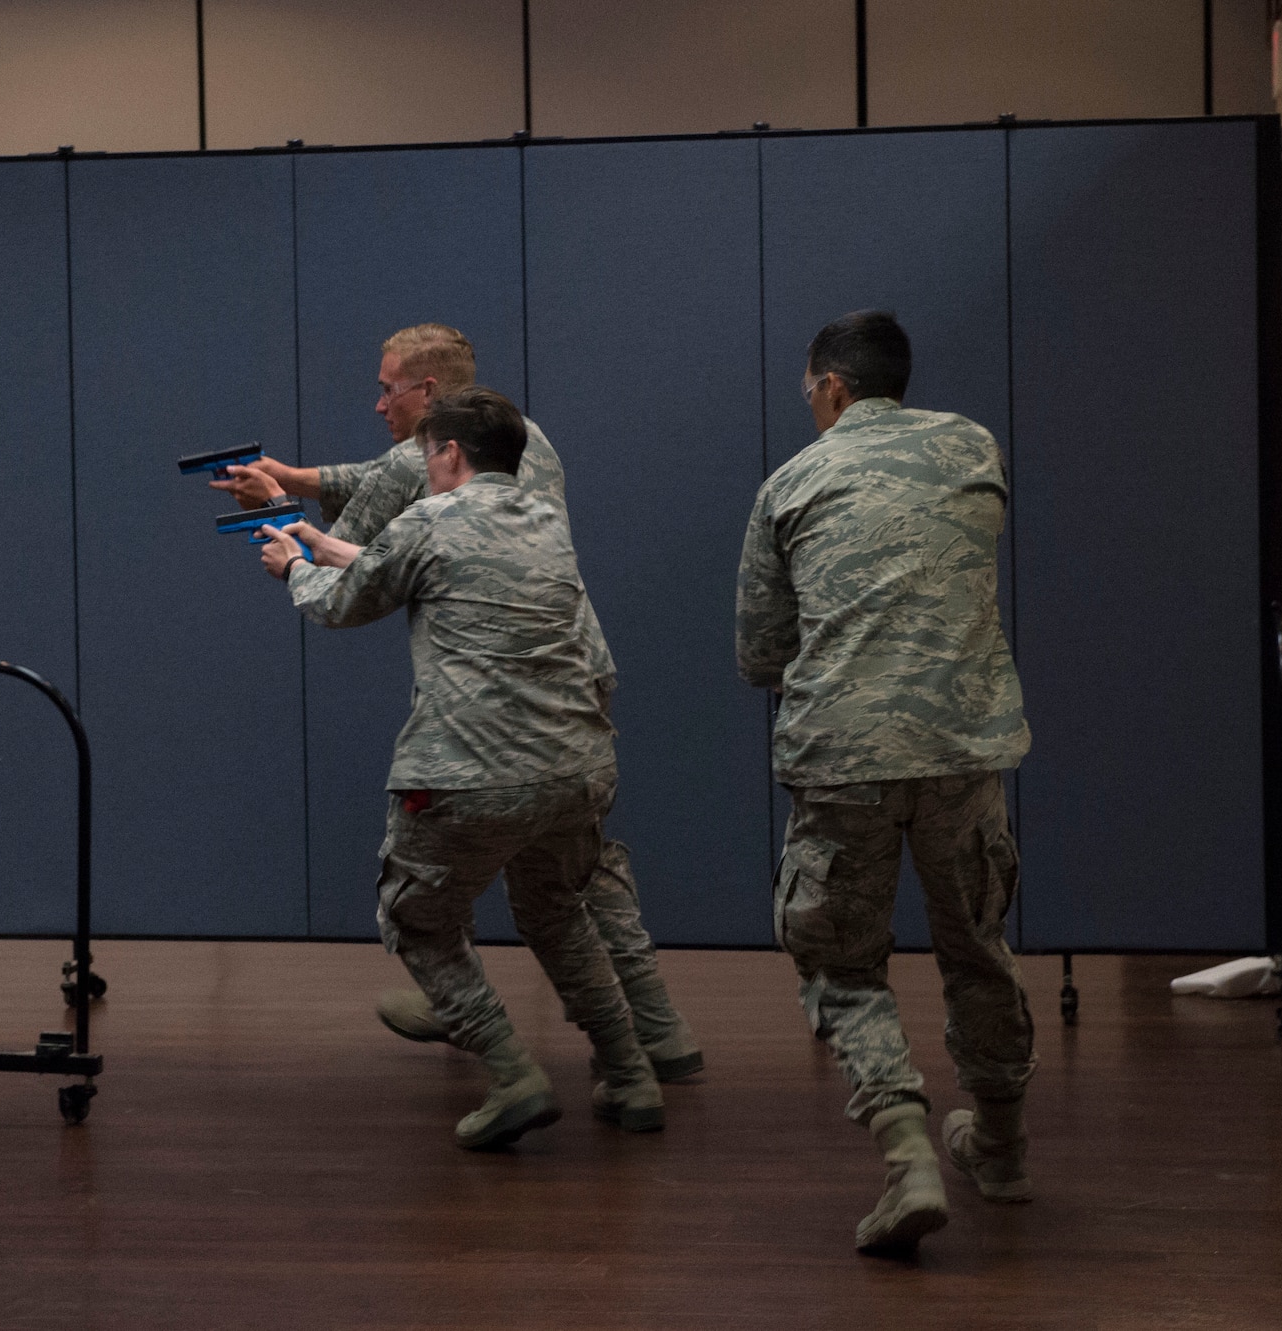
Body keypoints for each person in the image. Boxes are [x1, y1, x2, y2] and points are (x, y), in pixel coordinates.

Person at [216, 323, 703, 1085]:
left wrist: (276, 505)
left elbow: (355, 557)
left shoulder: (427, 465)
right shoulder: (517, 437)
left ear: (433, 403)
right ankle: (657, 1037)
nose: (378, 402)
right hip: (573, 673)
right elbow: (374, 478)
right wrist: (296, 476)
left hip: (487, 695)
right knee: (574, 876)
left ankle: (464, 1007)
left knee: (436, 879)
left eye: (388, 388)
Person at [735, 309, 1037, 1257]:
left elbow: (759, 653)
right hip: (963, 747)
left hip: (842, 758)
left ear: (830, 387)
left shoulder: (790, 483)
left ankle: (907, 1150)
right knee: (977, 946)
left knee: (839, 961)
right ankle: (999, 1147)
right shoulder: (973, 446)